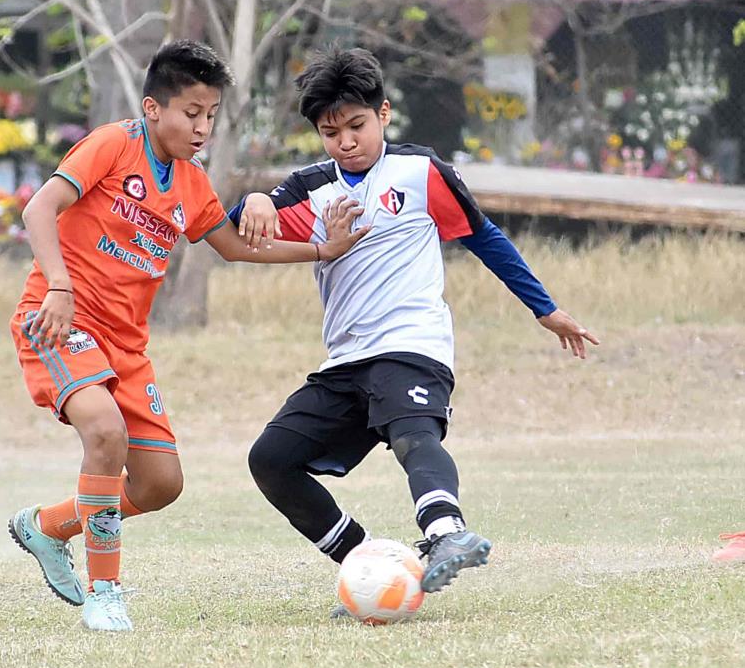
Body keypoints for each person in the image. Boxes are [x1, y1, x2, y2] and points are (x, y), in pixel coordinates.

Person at [7, 40, 365, 632]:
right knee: (104, 432)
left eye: (211, 116)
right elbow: (38, 210)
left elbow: (233, 246)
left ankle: (45, 527)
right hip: (60, 321)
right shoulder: (112, 145)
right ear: (154, 109)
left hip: (126, 347)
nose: (202, 127)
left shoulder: (192, 183)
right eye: (191, 113)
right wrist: (60, 288)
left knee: (160, 484)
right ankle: (106, 592)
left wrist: (322, 249)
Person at [240, 46, 599, 609]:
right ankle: (369, 563)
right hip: (344, 361)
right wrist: (257, 199)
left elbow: (485, 238)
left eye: (357, 125)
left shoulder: (421, 171)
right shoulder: (309, 187)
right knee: (270, 460)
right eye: (331, 133)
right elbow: (244, 222)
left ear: (383, 114)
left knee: (413, 435)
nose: (347, 141)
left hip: (412, 345)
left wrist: (544, 308)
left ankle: (445, 534)